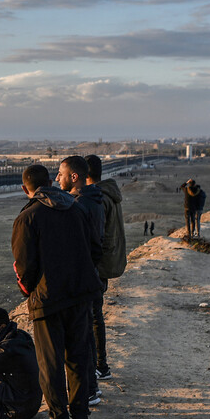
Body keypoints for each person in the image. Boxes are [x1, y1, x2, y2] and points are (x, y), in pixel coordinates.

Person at [12, 164, 102, 419]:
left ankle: (59, 418)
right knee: (78, 357)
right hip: (81, 294)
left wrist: (30, 292)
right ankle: (81, 417)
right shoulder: (77, 208)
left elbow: (23, 266)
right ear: (51, 181)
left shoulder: (28, 217)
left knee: (50, 363)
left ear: (24, 188)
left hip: (48, 300)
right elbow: (95, 248)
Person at [58, 156, 105, 406]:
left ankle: (87, 390)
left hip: (81, 280)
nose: (57, 178)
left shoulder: (79, 205)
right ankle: (92, 388)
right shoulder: (94, 199)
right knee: (86, 334)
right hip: (91, 276)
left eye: (61, 174)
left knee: (80, 338)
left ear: (73, 176)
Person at [85, 154, 127, 383]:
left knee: (93, 317)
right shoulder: (110, 193)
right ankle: (100, 365)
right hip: (104, 264)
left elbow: (98, 237)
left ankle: (100, 365)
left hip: (98, 266)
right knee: (95, 316)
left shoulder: (99, 197)